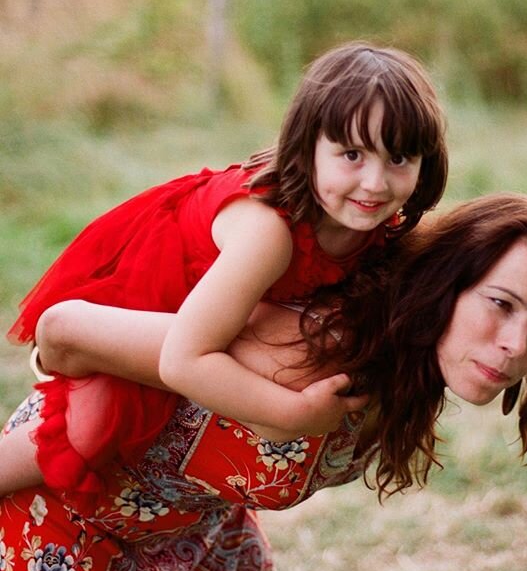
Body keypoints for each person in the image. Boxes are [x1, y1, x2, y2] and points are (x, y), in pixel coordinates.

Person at [0, 193, 527, 571]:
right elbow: (70, 338)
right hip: (67, 524)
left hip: (196, 535)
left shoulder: (404, 369)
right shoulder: (313, 346)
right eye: (500, 303)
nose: (517, 345)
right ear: (446, 283)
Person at [0, 41, 448, 502]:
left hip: (213, 303)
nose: (374, 183)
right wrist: (293, 414)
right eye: (352, 154)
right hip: (151, 288)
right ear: (307, 146)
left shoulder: (378, 225)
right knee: (91, 432)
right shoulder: (267, 235)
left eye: (398, 159)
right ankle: (70, 328)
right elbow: (183, 360)